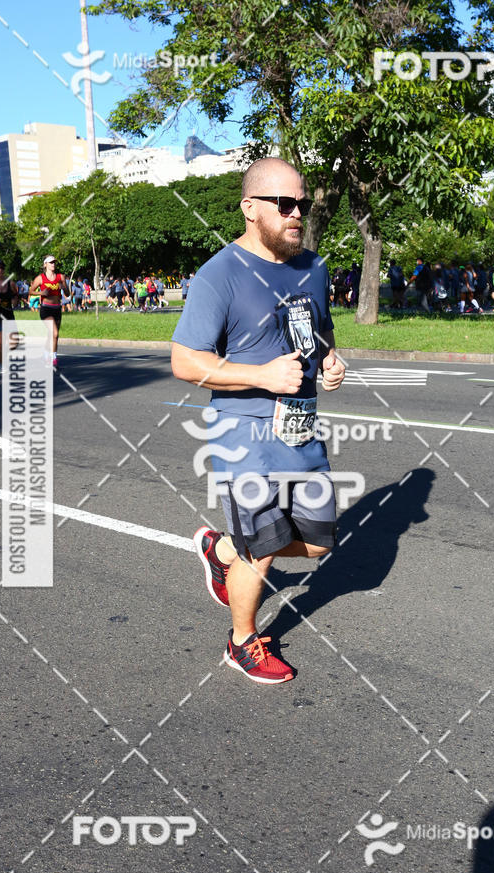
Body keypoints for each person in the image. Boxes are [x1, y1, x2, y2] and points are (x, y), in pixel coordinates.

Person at [171, 157, 346, 684]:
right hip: (243, 433)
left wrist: (331, 361)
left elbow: (319, 334)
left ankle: (222, 548)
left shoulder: (312, 267)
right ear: (250, 208)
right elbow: (184, 361)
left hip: (300, 429)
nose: (297, 214)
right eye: (285, 204)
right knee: (265, 548)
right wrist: (263, 376)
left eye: (303, 204)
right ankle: (241, 641)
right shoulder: (218, 274)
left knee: (318, 542)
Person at [28, 255, 70, 368]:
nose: (53, 264)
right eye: (51, 262)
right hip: (46, 309)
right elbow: (30, 291)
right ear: (45, 264)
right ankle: (53, 360)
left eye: (54, 262)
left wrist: (63, 286)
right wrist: (41, 293)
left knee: (51, 335)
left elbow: (68, 294)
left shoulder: (60, 277)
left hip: (57, 308)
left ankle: (46, 356)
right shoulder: (40, 278)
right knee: (55, 334)